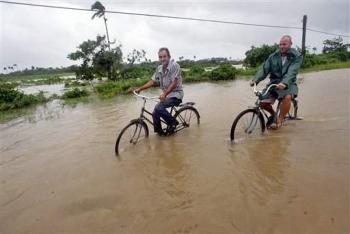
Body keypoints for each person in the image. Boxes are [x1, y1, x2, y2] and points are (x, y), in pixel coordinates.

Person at [250, 35, 303, 129]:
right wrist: (256, 80)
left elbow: (292, 71)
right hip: (274, 83)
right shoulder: (273, 56)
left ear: (290, 44)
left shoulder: (297, 56)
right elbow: (264, 69)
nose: (282, 46)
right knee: (262, 102)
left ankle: (280, 119)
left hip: (288, 83)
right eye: (280, 44)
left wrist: (285, 82)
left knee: (287, 97)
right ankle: (274, 115)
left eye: (284, 44)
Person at [134, 47, 183, 135]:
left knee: (158, 107)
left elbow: (174, 83)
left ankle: (173, 123)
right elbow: (152, 81)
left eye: (164, 56)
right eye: (160, 57)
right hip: (167, 96)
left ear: (169, 57)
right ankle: (160, 133)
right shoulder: (159, 68)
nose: (162, 59)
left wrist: (164, 94)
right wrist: (140, 89)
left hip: (176, 95)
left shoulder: (175, 66)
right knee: (155, 113)